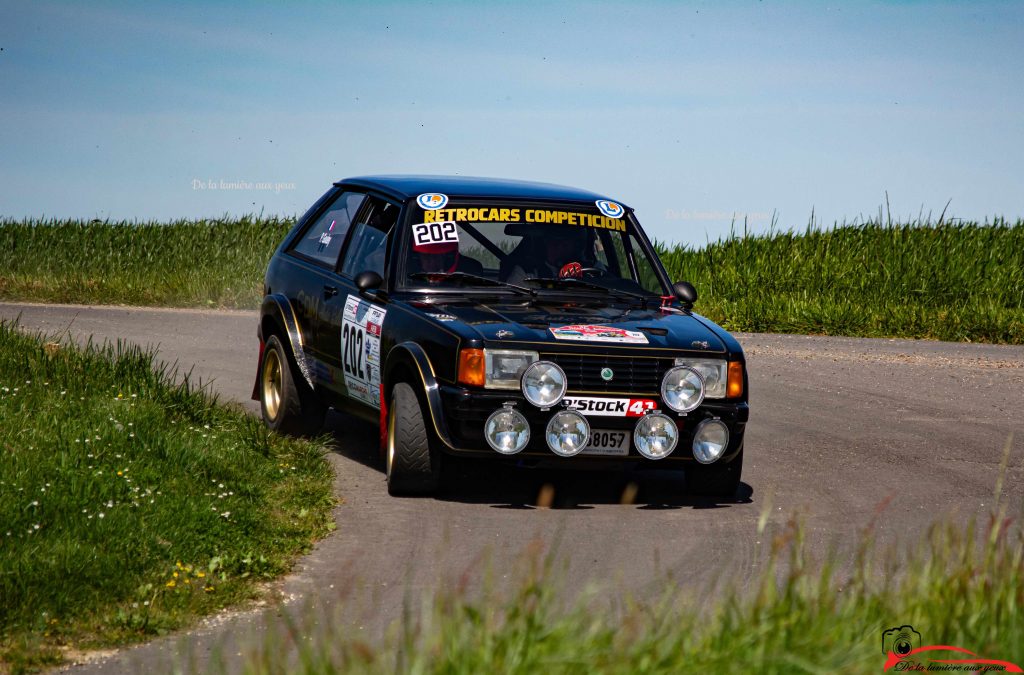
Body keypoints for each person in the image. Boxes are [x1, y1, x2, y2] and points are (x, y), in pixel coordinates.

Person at [505, 229, 587, 284]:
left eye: (565, 245)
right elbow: (514, 299)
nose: (559, 249)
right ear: (544, 245)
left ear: (575, 247)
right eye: (555, 244)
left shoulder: (588, 270)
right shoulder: (526, 272)